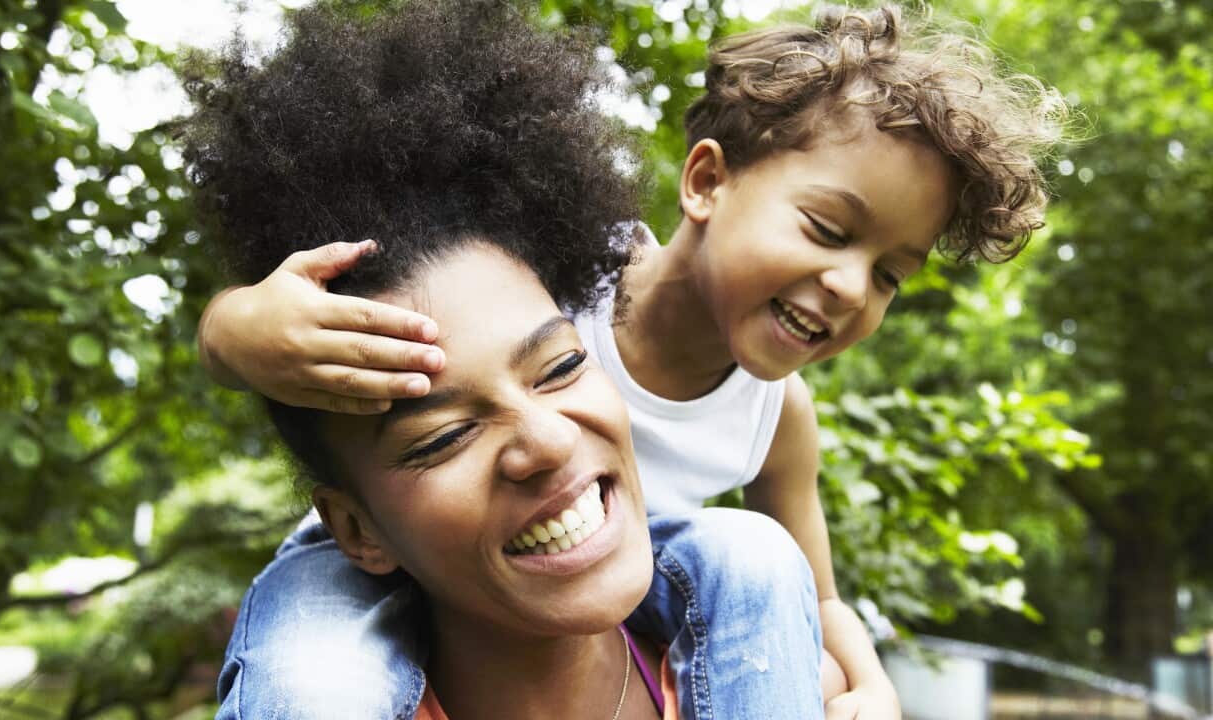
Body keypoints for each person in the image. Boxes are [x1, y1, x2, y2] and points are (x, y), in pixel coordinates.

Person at [196, 2, 1065, 718]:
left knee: (758, 560)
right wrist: (234, 329)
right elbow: (346, 303)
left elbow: (819, 595)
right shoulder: (567, 275)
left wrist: (868, 684)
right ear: (706, 182)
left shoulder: (779, 413)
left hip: (618, 557)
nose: (848, 285)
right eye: (828, 231)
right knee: (310, 682)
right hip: (369, 571)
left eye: (889, 275)